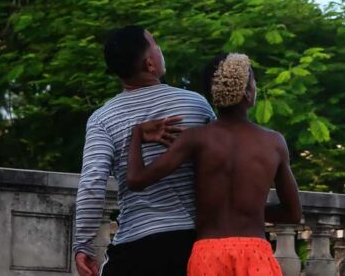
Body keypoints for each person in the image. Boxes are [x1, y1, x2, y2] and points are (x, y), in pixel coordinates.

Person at [126, 52, 302, 276]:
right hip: (255, 253)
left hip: (208, 254)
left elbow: (136, 179)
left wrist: (136, 134)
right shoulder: (273, 143)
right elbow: (293, 213)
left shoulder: (196, 138)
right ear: (247, 92)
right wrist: (251, 211)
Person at [73, 26, 216, 276]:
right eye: (155, 43)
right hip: (193, 246)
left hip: (134, 248)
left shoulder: (103, 119)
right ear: (150, 64)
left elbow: (92, 183)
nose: (160, 49)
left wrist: (82, 243)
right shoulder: (196, 104)